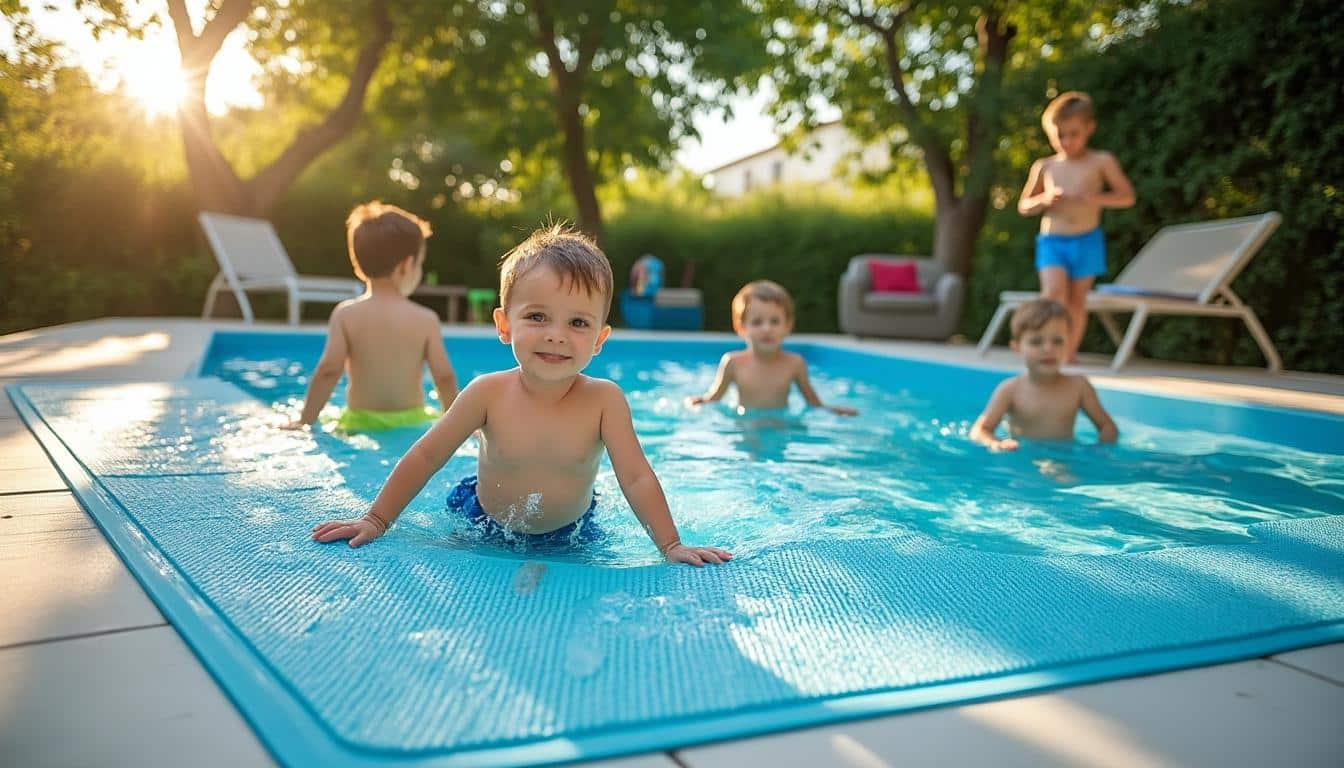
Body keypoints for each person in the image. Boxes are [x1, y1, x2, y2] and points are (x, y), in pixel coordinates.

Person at [311, 224, 732, 567]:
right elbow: (426, 455)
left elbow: (636, 477)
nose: (556, 335)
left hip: (572, 531)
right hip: (483, 520)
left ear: (600, 339)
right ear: (504, 325)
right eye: (537, 316)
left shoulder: (605, 402)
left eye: (578, 323)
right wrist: (376, 519)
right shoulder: (486, 393)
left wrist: (670, 545)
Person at [284, 202, 458, 433]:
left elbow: (328, 371)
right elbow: (444, 377)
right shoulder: (426, 319)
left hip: (359, 423)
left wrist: (305, 420)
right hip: (413, 423)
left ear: (358, 266)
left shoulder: (345, 315)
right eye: (420, 264)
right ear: (406, 265)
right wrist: (455, 424)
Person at [1018, 91, 1136, 362]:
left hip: (1087, 239)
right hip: (1052, 240)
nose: (1066, 141)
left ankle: (1067, 353)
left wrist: (1095, 198)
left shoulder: (1101, 161)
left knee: (1076, 301)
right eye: (1059, 135)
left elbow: (1127, 197)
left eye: (1073, 134)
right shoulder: (1045, 165)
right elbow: (1024, 205)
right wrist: (1045, 200)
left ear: (1089, 128)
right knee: (1052, 294)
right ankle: (1044, 347)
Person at [687, 280, 858, 416]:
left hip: (780, 427)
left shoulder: (795, 364)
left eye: (775, 321)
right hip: (745, 427)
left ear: (788, 326)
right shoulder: (732, 362)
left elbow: (813, 403)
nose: (767, 329)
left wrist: (834, 411)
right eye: (757, 322)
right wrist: (695, 403)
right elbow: (713, 398)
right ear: (741, 327)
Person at [970, 298, 1118, 451]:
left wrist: (1100, 451)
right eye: (1036, 342)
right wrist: (995, 443)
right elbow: (980, 430)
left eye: (1057, 341)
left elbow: (1107, 426)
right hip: (1023, 455)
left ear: (1069, 345)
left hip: (1065, 455)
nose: (1048, 349)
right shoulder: (1010, 390)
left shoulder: (1079, 386)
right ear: (1017, 348)